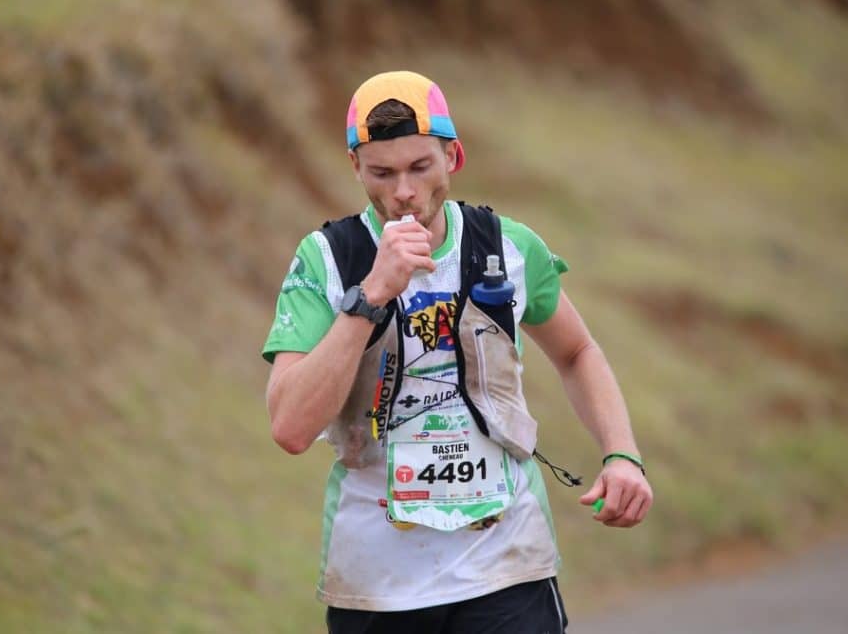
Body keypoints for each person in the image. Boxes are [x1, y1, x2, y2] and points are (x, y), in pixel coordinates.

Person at [262, 70, 653, 633]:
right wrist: (370, 296)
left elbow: (577, 352)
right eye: (382, 172)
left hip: (506, 567)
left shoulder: (509, 246)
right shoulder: (325, 260)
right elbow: (291, 428)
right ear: (355, 168)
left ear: (454, 156)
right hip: (378, 583)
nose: (403, 191)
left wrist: (621, 454)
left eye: (421, 167)